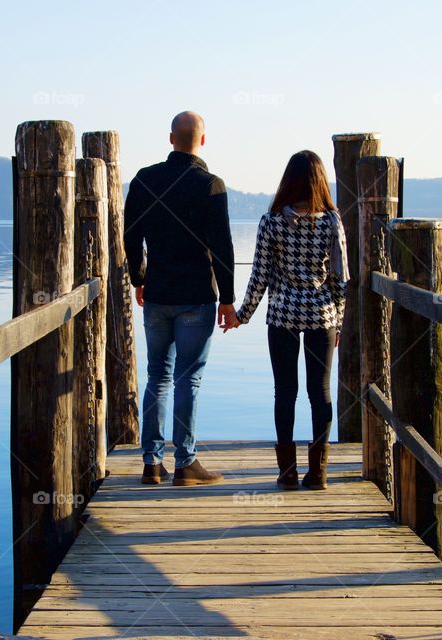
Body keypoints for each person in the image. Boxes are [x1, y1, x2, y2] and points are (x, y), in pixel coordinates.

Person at [124, 111, 238, 487]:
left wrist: (138, 277)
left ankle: (151, 464)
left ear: (171, 138)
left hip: (157, 294)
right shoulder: (210, 185)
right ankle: (185, 463)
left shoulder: (144, 179)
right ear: (202, 141)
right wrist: (228, 298)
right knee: (188, 379)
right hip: (196, 297)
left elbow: (130, 235)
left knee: (158, 376)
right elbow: (222, 245)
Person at [224, 150, 348, 490]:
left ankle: (287, 472)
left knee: (285, 392)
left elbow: (259, 277)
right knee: (319, 393)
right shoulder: (332, 222)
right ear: (321, 181)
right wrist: (339, 320)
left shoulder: (271, 221)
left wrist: (241, 315)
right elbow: (340, 279)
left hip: (282, 316)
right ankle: (319, 473)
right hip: (322, 316)